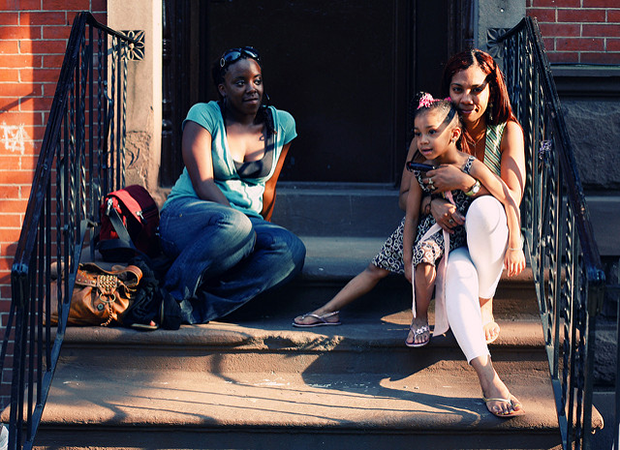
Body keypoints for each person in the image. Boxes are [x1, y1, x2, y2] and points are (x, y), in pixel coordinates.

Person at [295, 49, 526, 418]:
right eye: (457, 89)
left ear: (492, 89)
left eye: (475, 89)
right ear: (445, 92)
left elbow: (510, 197)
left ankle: (487, 300)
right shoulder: (431, 132)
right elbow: (408, 197)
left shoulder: (503, 132)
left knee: (484, 207)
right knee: (453, 274)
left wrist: (466, 184)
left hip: (488, 230)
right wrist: (432, 206)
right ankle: (487, 377)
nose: (466, 99)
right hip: (448, 232)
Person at [159, 46, 306, 324]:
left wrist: (260, 233)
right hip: (187, 216)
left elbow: (269, 189)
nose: (252, 88)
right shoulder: (203, 116)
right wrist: (243, 234)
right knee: (238, 226)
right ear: (223, 89)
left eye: (257, 80)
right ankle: (173, 294)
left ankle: (199, 308)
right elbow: (204, 184)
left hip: (244, 224)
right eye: (240, 82)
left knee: (290, 248)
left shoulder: (282, 124)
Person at [402, 93, 525, 349]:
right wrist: (406, 258)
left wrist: (515, 244)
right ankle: (419, 318)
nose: (423, 140)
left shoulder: (472, 164)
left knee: (456, 263)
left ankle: (480, 306)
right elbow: (410, 213)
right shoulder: (421, 165)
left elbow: (508, 197)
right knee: (401, 263)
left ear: (454, 134)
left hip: (466, 233)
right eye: (417, 134)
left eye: (431, 132)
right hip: (435, 231)